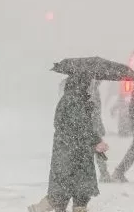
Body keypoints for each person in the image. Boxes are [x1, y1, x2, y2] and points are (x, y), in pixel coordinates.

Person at [30, 79, 109, 212]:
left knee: (69, 188)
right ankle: (42, 207)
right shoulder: (74, 101)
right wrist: (95, 141)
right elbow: (80, 128)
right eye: (87, 84)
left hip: (69, 151)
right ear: (81, 84)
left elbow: (78, 126)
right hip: (74, 152)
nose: (90, 86)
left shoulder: (73, 100)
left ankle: (42, 207)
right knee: (71, 189)